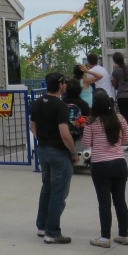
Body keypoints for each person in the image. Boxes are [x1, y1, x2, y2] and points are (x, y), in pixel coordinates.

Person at [30, 72, 79, 244]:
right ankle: (52, 232)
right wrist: (74, 152)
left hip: (43, 150)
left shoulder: (37, 103)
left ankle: (42, 226)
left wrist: (43, 139)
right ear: (60, 85)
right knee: (59, 192)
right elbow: (65, 134)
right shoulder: (61, 106)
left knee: (47, 188)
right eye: (64, 82)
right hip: (58, 152)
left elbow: (32, 126)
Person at [82, 91, 128, 248]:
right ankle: (123, 235)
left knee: (104, 202)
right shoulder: (120, 118)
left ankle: (104, 238)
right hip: (120, 163)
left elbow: (86, 142)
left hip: (101, 164)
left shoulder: (91, 122)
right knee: (120, 199)